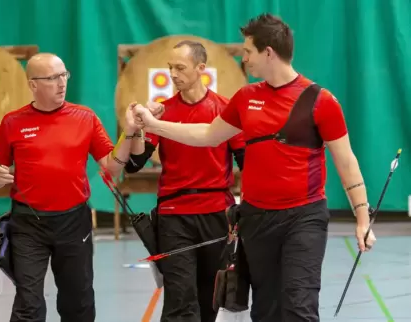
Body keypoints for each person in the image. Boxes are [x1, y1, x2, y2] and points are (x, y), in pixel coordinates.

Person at [133, 14, 376, 322]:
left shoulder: (321, 101)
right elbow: (208, 134)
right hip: (257, 219)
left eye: (248, 51)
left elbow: (346, 161)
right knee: (265, 311)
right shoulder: (246, 98)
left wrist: (362, 218)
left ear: (269, 52)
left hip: (304, 216)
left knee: (298, 306)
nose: (244, 57)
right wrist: (155, 125)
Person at [0, 53, 150, 322]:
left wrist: (130, 130)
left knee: (78, 301)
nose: (62, 83)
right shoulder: (13, 122)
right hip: (28, 224)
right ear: (33, 84)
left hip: (74, 222)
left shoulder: (85, 117)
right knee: (28, 303)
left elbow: (112, 165)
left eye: (64, 75)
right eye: (52, 78)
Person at [125, 40, 246, 322]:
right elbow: (133, 164)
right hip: (173, 215)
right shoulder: (162, 113)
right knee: (179, 298)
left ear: (201, 68)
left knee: (208, 300)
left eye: (180, 67)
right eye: (170, 68)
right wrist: (139, 128)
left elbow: (247, 162)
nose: (173, 74)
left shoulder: (225, 110)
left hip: (216, 213)